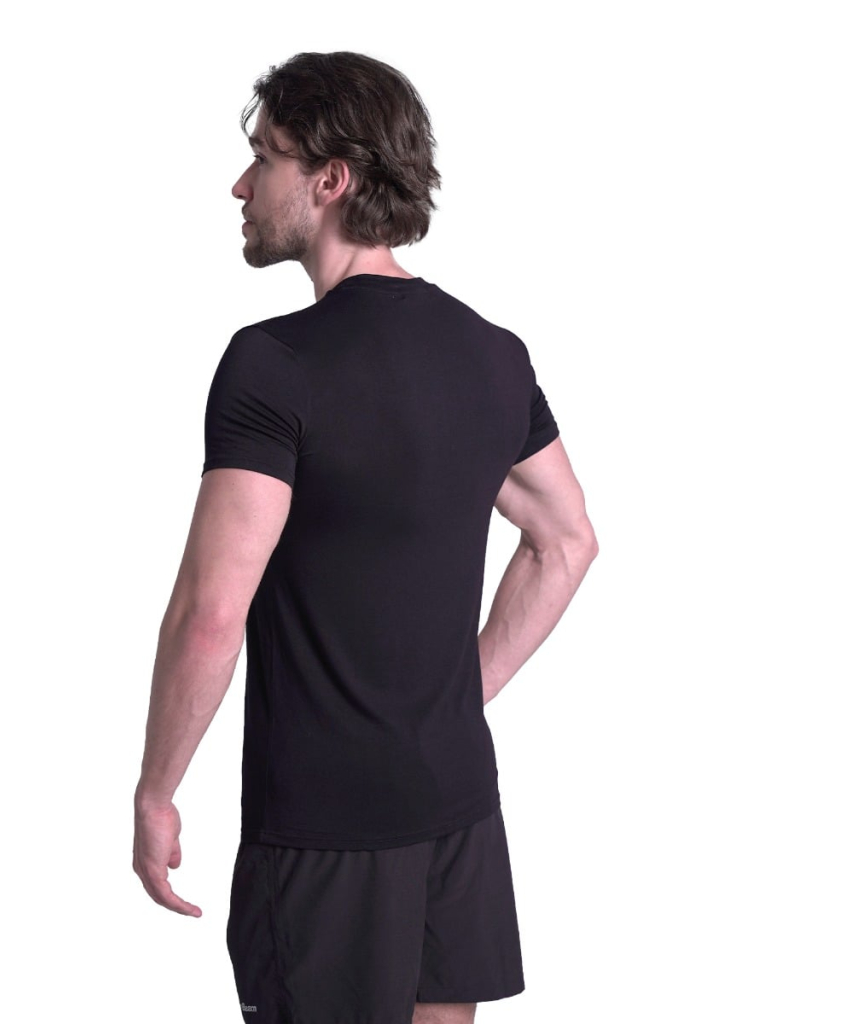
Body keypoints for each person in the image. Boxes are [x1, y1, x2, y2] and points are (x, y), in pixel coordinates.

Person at [133, 51, 599, 1024]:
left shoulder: (272, 364)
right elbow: (565, 540)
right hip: (457, 804)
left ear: (330, 180)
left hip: (323, 829)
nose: (241, 185)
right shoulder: (492, 353)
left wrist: (157, 789)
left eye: (265, 158)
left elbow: (211, 612)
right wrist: (455, 698)